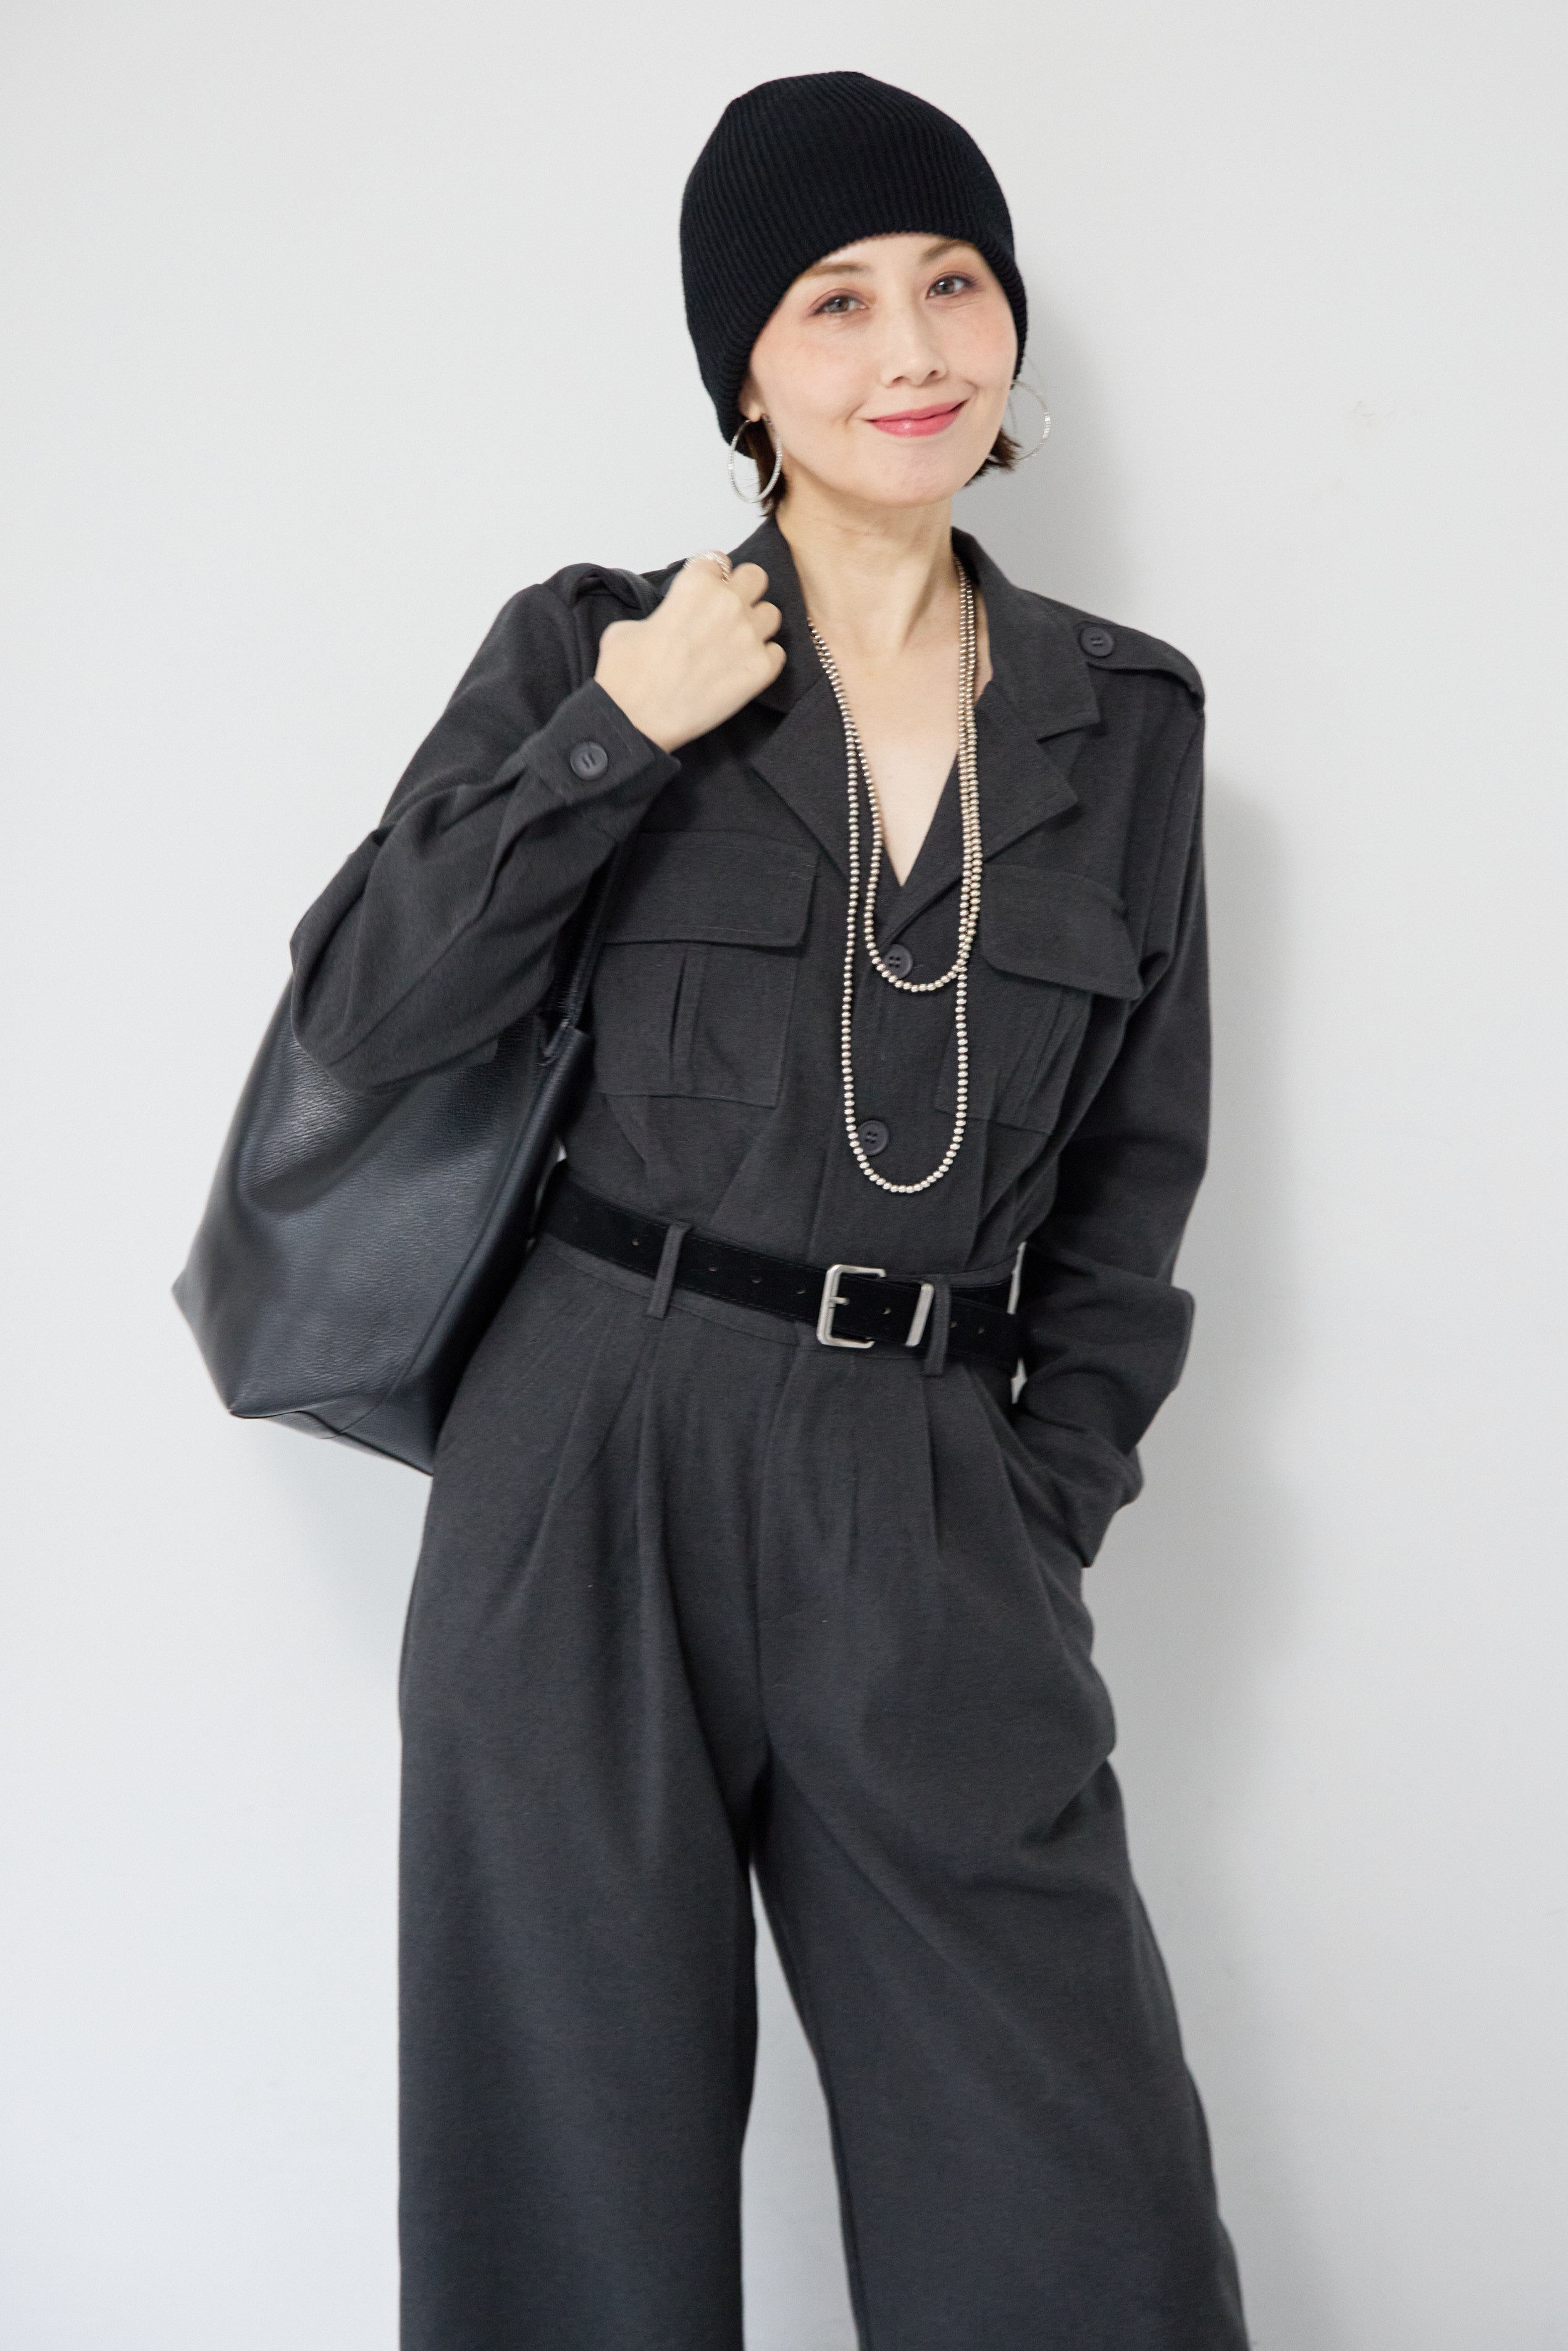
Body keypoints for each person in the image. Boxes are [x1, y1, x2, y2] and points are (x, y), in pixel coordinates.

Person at [290, 69, 1248, 2351]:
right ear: (744, 371)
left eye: (952, 283)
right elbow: (367, 1011)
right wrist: (612, 741)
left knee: (1070, 2215)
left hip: (926, 1486)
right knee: (570, 2196)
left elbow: (1134, 1179)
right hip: (586, 1459)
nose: (910, 347)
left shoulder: (1124, 722)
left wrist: (1034, 1502)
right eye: (833, 300)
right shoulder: (597, 647)